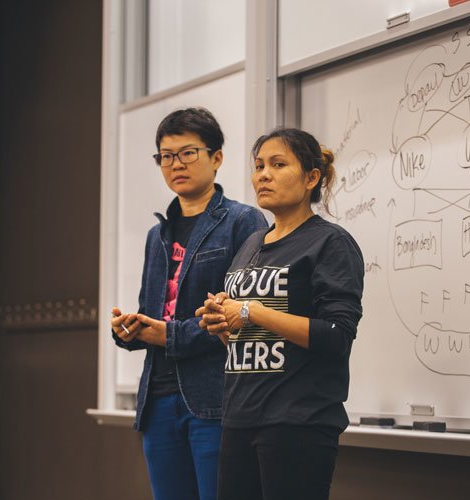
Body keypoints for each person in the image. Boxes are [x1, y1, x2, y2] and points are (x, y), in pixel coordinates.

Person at [196, 128, 365, 500]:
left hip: (298, 422)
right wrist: (222, 324)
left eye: (278, 164)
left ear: (311, 178)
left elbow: (336, 335)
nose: (263, 175)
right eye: (259, 166)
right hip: (240, 418)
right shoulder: (251, 244)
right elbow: (249, 333)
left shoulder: (330, 243)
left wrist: (251, 310)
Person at [111, 107, 267, 500]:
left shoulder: (244, 223)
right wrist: (130, 329)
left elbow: (245, 314)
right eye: (166, 156)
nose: (175, 164)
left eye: (187, 153)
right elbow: (154, 311)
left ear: (216, 158)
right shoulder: (156, 234)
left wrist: (170, 335)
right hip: (158, 399)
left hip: (215, 398)